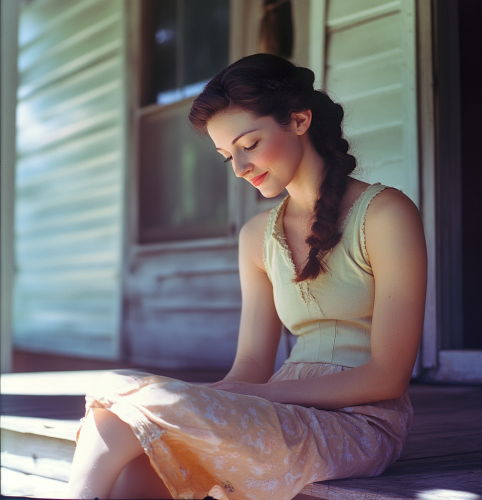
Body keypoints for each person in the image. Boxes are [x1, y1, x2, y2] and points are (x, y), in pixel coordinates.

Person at [65, 53, 427, 500]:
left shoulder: (385, 214)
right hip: (275, 410)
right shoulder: (257, 235)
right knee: (127, 443)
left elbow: (387, 378)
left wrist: (243, 397)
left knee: (120, 406)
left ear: (298, 120)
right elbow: (251, 366)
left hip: (359, 424)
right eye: (225, 156)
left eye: (249, 144)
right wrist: (216, 398)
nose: (239, 168)